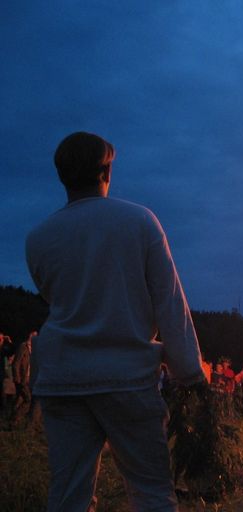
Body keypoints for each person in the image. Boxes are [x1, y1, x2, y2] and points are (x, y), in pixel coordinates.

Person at [25, 132, 204, 512]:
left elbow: (55, 299)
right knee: (151, 491)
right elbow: (170, 303)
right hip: (127, 379)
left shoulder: (38, 238)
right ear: (105, 171)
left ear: (62, 177)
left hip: (61, 379)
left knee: (67, 495)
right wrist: (191, 374)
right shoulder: (139, 221)